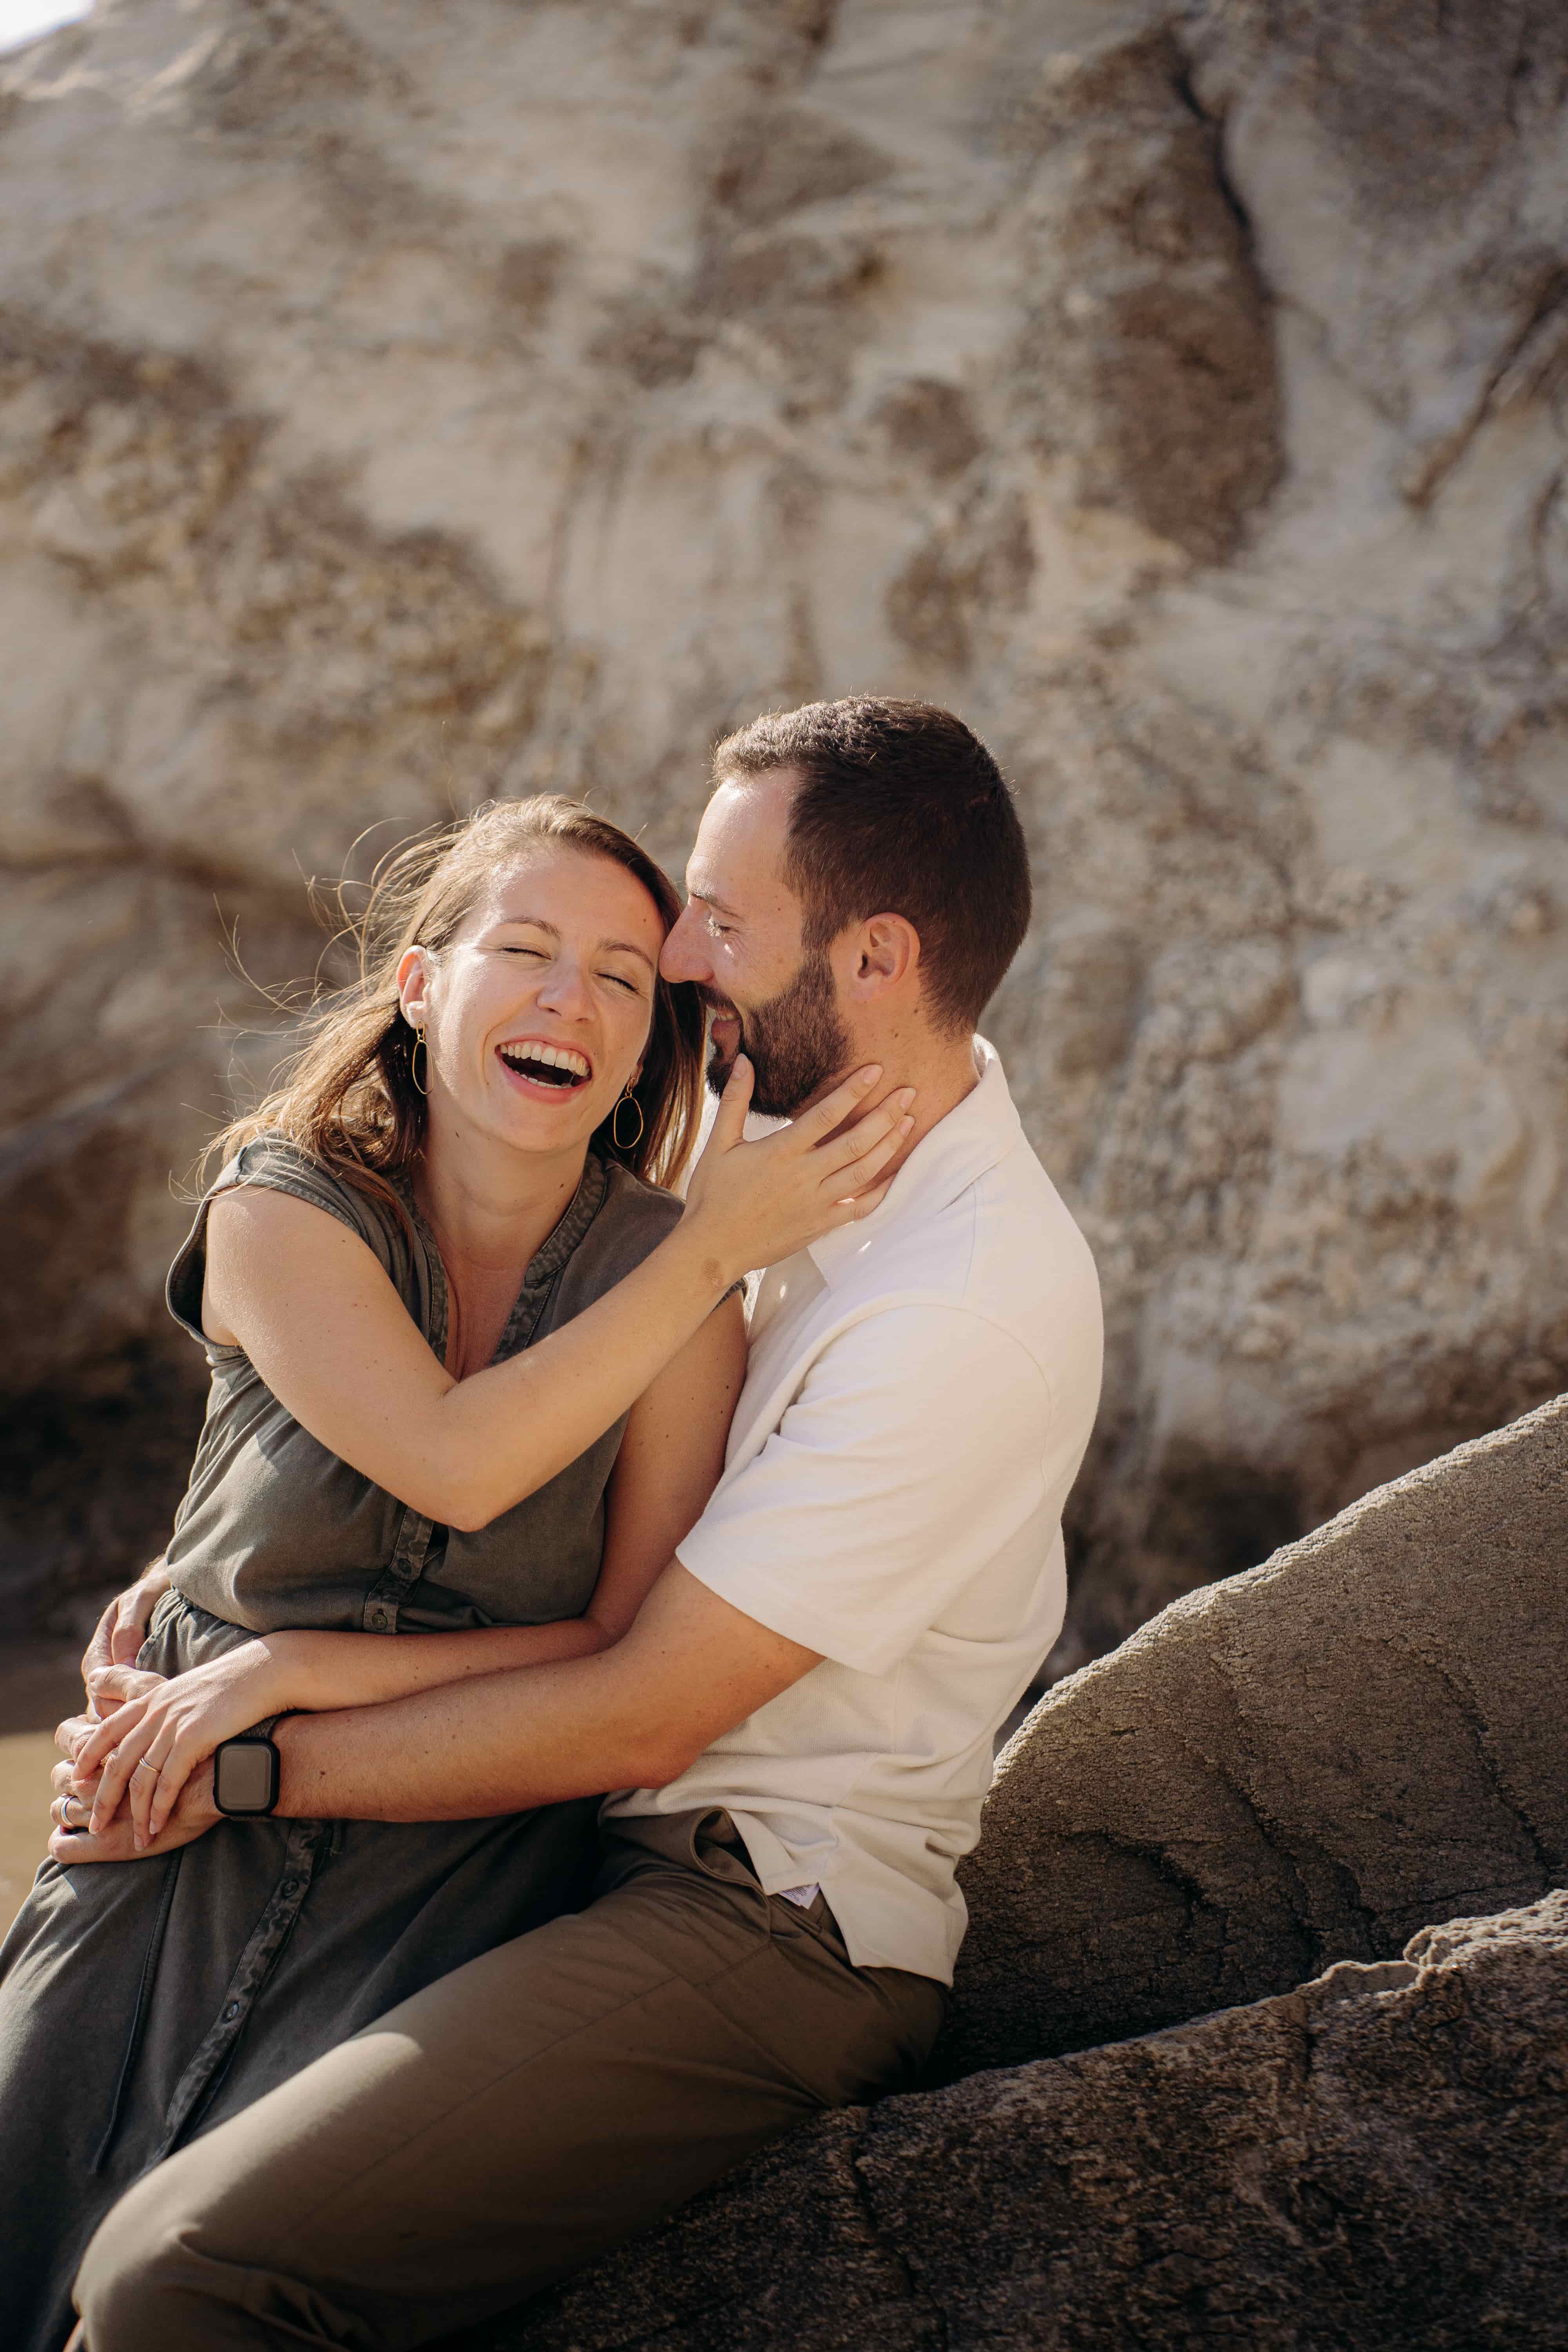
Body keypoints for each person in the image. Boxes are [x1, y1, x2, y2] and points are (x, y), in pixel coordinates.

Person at [62, 695, 1105, 2352]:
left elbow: (641, 1703)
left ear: (875, 960)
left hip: (754, 1904)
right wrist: (217, 1603)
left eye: (720, 922)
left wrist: (233, 1763)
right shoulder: (777, 1148)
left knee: (175, 2276)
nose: (679, 961)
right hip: (575, 1837)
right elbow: (429, 1421)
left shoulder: (958, 1304)